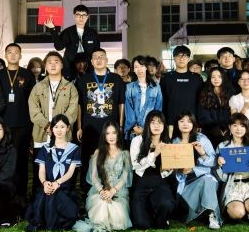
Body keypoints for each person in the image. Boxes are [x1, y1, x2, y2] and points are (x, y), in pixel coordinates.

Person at [28, 51, 79, 196]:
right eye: (49, 62)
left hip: (63, 137)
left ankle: (62, 202)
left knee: (62, 172)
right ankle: (39, 202)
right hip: (41, 135)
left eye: (56, 61)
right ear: (45, 66)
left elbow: (72, 111)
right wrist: (46, 125)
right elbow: (33, 110)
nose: (53, 64)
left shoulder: (70, 87)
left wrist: (58, 127)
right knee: (40, 172)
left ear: (62, 65)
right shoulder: (38, 87)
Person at [76, 48, 125, 193]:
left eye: (101, 56)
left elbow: (121, 103)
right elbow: (79, 105)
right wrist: (79, 127)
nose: (98, 59)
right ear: (91, 62)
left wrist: (120, 126)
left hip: (110, 128)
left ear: (107, 60)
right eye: (95, 57)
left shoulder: (116, 79)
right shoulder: (84, 80)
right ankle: (86, 189)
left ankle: (110, 188)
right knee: (88, 158)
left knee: (110, 158)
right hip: (89, 127)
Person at [0, 43, 36, 200]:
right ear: (5, 55)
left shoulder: (27, 74)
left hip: (23, 124)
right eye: (9, 52)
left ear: (20, 55)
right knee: (3, 160)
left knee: (21, 160)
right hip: (2, 125)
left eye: (16, 52)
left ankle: (21, 195)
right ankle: (4, 193)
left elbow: (33, 100)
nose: (13, 55)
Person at [73, 121, 132, 232]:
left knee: (118, 214)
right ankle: (100, 222)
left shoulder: (125, 154)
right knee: (102, 205)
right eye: (108, 133)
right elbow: (94, 177)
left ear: (118, 134)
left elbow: (124, 177)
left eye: (114, 133)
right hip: (101, 189)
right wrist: (101, 191)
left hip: (118, 190)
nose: (111, 136)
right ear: (104, 136)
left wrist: (113, 191)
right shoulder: (98, 152)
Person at [26, 114, 81, 232]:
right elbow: (41, 171)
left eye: (62, 127)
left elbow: (70, 172)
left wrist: (57, 183)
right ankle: (42, 221)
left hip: (64, 188)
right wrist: (45, 183)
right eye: (56, 127)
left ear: (68, 128)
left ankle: (52, 222)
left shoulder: (74, 149)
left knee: (55, 196)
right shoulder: (45, 148)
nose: (59, 130)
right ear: (51, 129)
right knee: (46, 194)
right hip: (48, 186)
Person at [172, 111, 221, 229]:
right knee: (185, 209)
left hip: (202, 178)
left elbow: (214, 163)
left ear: (193, 124)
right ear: (177, 124)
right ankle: (202, 212)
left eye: (189, 121)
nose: (185, 124)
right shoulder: (174, 141)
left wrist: (202, 153)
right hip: (184, 183)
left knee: (207, 180)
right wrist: (179, 170)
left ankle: (212, 215)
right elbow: (170, 166)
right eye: (182, 121)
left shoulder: (201, 139)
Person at [129, 110, 176, 229]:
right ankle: (149, 211)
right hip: (141, 184)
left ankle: (161, 218)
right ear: (147, 125)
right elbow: (136, 164)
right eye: (153, 122)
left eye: (159, 123)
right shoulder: (137, 140)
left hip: (159, 184)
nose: (156, 126)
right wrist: (154, 153)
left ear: (164, 126)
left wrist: (169, 168)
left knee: (167, 204)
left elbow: (167, 171)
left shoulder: (167, 143)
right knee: (141, 224)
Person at [44, 4, 101, 80]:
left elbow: (97, 51)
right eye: (78, 15)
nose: (81, 17)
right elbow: (59, 47)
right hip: (70, 67)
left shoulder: (93, 33)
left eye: (84, 15)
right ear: (74, 16)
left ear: (87, 17)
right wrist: (52, 29)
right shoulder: (68, 32)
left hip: (89, 67)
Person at [160, 45, 203, 127]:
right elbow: (163, 101)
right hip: (171, 122)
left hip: (192, 122)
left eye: (185, 56)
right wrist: (163, 121)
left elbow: (200, 102)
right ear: (174, 58)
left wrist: (199, 123)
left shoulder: (196, 78)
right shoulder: (166, 77)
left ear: (189, 59)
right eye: (179, 56)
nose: (181, 58)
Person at [124, 55, 163, 143]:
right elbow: (128, 109)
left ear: (146, 68)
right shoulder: (129, 87)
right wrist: (135, 127)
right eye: (136, 67)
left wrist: (149, 126)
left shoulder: (156, 87)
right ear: (133, 70)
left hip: (150, 128)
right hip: (134, 130)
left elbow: (158, 109)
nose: (139, 69)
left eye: (142, 66)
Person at [197, 67, 233, 148]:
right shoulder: (204, 93)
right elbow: (203, 116)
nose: (216, 79)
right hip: (210, 131)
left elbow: (233, 113)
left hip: (228, 131)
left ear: (223, 78)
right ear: (209, 79)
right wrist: (215, 128)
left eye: (219, 76)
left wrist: (227, 128)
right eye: (213, 77)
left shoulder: (230, 93)